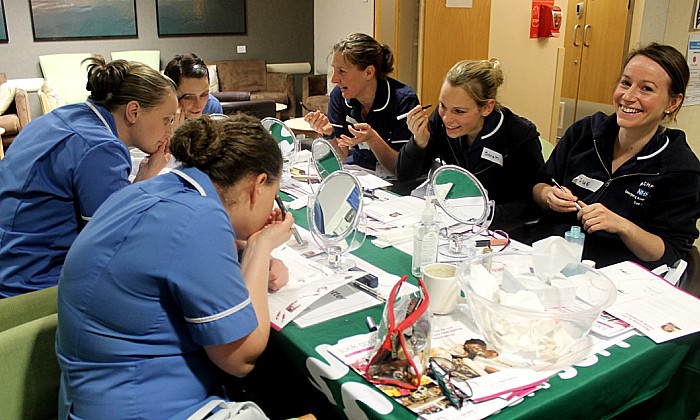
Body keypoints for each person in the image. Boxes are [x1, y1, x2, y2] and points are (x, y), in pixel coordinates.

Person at [56, 114, 293, 419]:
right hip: (144, 405)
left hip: (90, 393)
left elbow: (169, 254)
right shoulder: (201, 218)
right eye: (273, 198)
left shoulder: (151, 192)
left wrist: (248, 250)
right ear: (257, 186)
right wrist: (261, 246)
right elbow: (241, 357)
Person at [0, 56, 177, 298]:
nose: (169, 131)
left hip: (10, 265)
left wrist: (145, 175)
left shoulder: (62, 118)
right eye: (166, 119)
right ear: (133, 111)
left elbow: (108, 215)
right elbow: (114, 238)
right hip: (36, 282)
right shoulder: (101, 148)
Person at [529, 43, 700, 269]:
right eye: (626, 83)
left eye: (646, 89)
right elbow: (539, 184)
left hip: (612, 277)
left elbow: (670, 251)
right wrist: (548, 195)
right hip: (546, 258)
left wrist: (622, 226)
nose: (628, 96)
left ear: (673, 102)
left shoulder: (681, 168)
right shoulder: (585, 133)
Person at [395, 59, 544, 228]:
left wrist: (483, 217)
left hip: (499, 226)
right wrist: (418, 143)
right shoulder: (441, 119)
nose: (447, 118)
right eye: (443, 105)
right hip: (453, 217)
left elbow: (532, 202)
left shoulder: (519, 135)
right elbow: (404, 176)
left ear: (487, 108)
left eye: (459, 111)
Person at [304, 33, 419, 176]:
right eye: (334, 70)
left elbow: (400, 170)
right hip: (360, 173)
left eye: (342, 71)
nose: (334, 79)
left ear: (369, 72)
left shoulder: (403, 101)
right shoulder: (339, 96)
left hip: (394, 182)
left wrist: (372, 138)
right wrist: (329, 134)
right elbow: (342, 156)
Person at [164, 53, 223, 125]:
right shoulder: (156, 111)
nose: (198, 105)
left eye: (204, 95)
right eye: (188, 97)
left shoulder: (212, 107)